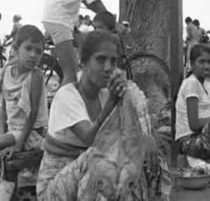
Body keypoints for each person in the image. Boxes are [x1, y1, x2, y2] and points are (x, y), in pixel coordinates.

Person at [37, 30, 168, 199]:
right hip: (55, 186)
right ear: (83, 62)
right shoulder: (67, 95)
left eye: (113, 62)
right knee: (99, 160)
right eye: (100, 60)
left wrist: (146, 139)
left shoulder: (105, 93)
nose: (108, 68)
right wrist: (112, 103)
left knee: (146, 160)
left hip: (87, 178)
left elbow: (129, 136)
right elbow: (90, 140)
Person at [0, 25, 48, 155]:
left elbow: (32, 114)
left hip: (30, 133)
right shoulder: (7, 72)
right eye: (28, 49)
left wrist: (18, 146)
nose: (33, 55)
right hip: (12, 131)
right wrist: (3, 133)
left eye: (38, 52)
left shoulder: (35, 75)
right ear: (15, 49)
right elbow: (4, 108)